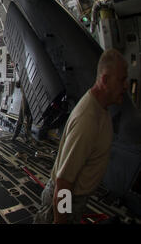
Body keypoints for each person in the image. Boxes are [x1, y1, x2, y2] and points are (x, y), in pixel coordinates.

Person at [34, 49, 128, 224]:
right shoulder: (88, 119)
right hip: (64, 203)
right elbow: (63, 183)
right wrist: (60, 221)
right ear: (105, 80)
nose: (126, 86)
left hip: (73, 201)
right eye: (122, 80)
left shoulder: (101, 109)